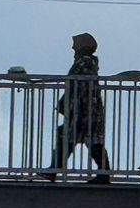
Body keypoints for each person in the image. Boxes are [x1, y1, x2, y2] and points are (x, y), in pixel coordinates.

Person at [46, 31, 111, 183]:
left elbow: (80, 86)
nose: (73, 48)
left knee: (74, 137)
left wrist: (70, 106)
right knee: (90, 141)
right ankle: (103, 174)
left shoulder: (84, 63)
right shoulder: (87, 62)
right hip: (87, 110)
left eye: (75, 45)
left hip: (84, 111)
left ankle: (54, 170)